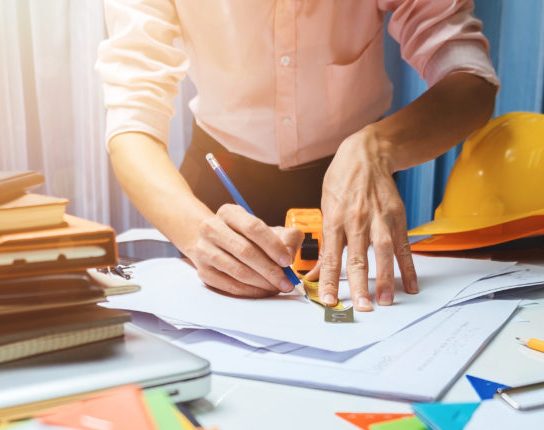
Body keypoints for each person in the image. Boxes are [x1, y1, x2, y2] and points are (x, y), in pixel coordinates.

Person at [97, 0, 498, 311]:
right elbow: (132, 124)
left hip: (356, 184)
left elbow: (470, 80)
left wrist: (380, 147)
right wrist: (193, 231)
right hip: (218, 188)